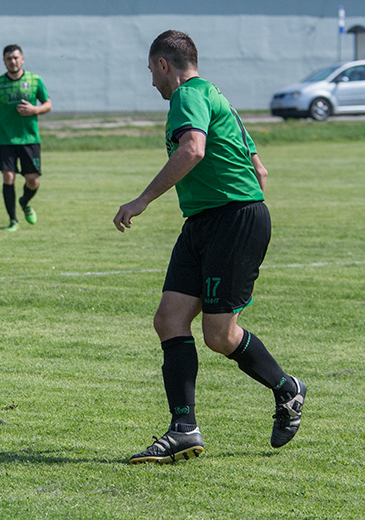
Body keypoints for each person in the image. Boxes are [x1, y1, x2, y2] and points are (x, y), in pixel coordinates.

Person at [113, 30, 306, 464]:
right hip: (205, 221)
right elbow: (259, 165)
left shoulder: (187, 96)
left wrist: (142, 199)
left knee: (219, 335)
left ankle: (288, 390)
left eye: (151, 72)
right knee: (169, 319)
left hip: (231, 220)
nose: (151, 83)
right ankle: (183, 428)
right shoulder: (215, 96)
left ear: (165, 65)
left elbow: (194, 149)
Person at [0, 44, 52, 232]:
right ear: (4, 61)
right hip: (6, 139)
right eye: (8, 58)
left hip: (29, 138)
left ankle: (25, 201)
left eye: (15, 57)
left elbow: (48, 104)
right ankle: (13, 220)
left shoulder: (35, 80)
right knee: (8, 177)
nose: (12, 61)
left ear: (22, 59)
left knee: (32, 180)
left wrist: (34, 110)